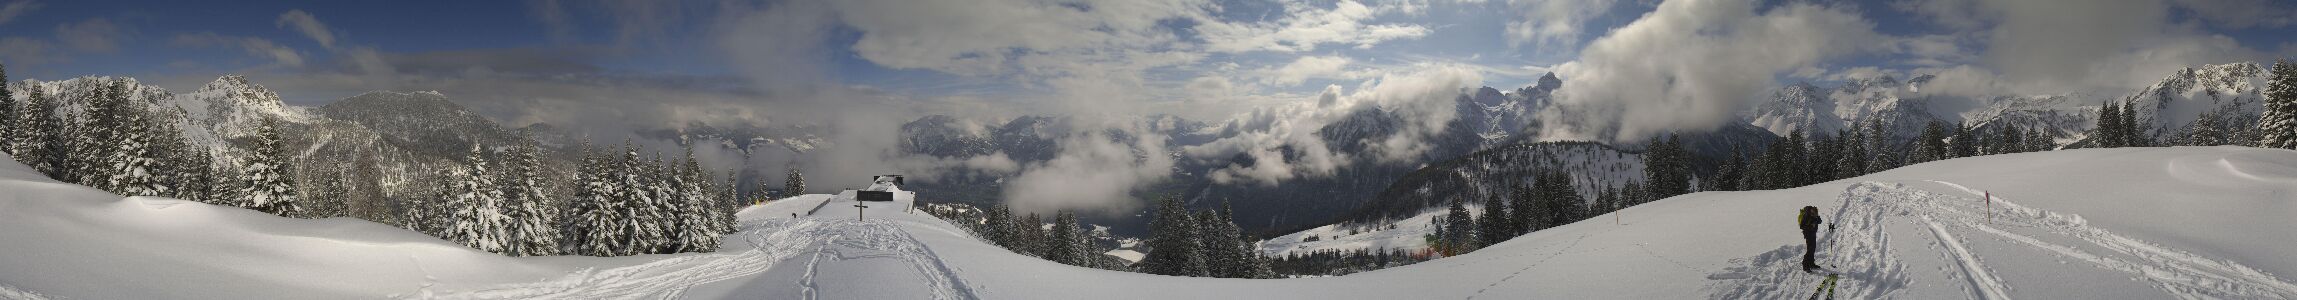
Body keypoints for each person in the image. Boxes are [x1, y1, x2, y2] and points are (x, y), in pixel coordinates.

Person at [1799, 206, 1826, 271]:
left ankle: (1811, 263)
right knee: (1810, 250)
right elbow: (1801, 226)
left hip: (1813, 233)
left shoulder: (1815, 215)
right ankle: (1805, 265)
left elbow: (1820, 221)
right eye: (1813, 214)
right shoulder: (1806, 216)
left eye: (1816, 214)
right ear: (1811, 212)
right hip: (1808, 234)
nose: (1815, 215)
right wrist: (1811, 226)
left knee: (1813, 249)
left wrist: (1816, 220)